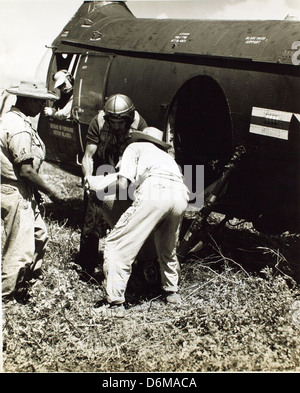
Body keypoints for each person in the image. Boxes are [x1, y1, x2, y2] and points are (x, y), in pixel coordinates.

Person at [88, 127, 189, 317]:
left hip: (155, 190)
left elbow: (123, 184)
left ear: (140, 137)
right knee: (167, 247)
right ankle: (172, 293)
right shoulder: (167, 157)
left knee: (117, 244)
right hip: (180, 195)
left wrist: (98, 189)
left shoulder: (134, 148)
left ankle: (115, 304)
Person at [1, 80, 63, 304]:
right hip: (16, 192)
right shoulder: (18, 128)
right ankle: (6, 298)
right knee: (20, 249)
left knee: (39, 236)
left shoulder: (17, 120)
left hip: (24, 192)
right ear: (27, 101)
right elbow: (25, 170)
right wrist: (53, 193)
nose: (42, 107)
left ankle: (27, 284)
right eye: (39, 102)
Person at [77, 93, 148, 277]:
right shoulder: (98, 122)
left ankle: (131, 265)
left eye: (121, 122)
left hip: (126, 172)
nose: (116, 126)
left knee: (126, 217)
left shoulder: (140, 125)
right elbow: (88, 156)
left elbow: (142, 157)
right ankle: (86, 266)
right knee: (91, 217)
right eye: (113, 122)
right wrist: (89, 179)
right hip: (103, 167)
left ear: (130, 118)